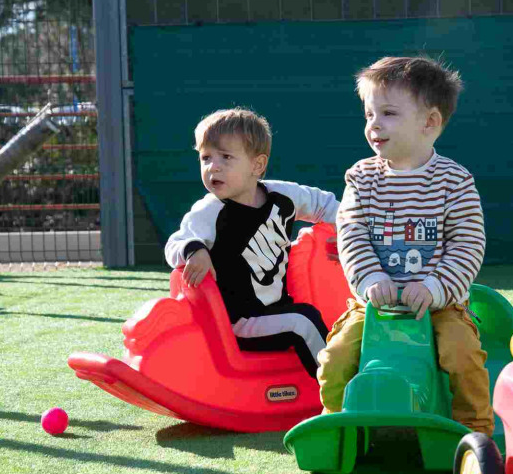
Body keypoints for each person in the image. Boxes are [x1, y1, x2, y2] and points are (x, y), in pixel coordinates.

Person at [316, 56, 492, 435]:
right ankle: (336, 426)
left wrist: (434, 288)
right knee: (335, 358)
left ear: (430, 122)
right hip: (374, 305)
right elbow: (351, 233)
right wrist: (370, 279)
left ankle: (474, 431)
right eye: (369, 114)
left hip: (440, 306)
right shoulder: (361, 178)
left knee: (463, 355)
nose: (374, 124)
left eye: (389, 113)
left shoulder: (454, 181)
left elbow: (467, 243)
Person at [165, 108, 340, 377]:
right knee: (303, 321)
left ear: (257, 165)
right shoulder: (210, 210)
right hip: (239, 324)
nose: (213, 167)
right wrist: (195, 250)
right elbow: (175, 243)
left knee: (318, 318)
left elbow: (324, 204)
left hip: (276, 310)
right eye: (206, 158)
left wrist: (350, 226)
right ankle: (341, 390)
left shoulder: (282, 196)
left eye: (226, 157)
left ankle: (336, 376)